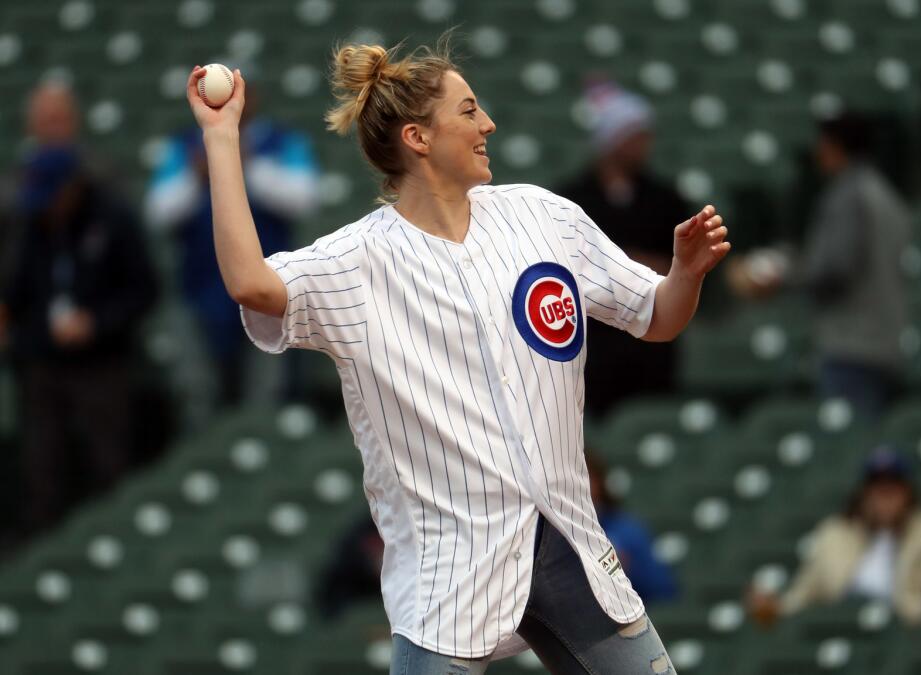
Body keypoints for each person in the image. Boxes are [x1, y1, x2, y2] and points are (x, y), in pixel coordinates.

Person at [184, 34, 729, 674]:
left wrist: (685, 275)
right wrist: (222, 137)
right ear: (417, 138)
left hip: (568, 543)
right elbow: (251, 282)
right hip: (449, 567)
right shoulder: (356, 262)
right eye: (469, 111)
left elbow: (658, 317)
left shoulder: (541, 218)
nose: (488, 123)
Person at [0, 82, 158, 535]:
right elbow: (18, 285)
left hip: (101, 361)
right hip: (41, 359)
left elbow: (144, 290)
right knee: (40, 467)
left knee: (106, 465)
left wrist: (97, 323)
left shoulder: (110, 215)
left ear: (72, 188)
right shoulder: (31, 222)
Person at [145, 73, 319, 406]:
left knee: (266, 390)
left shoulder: (280, 141)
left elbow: (303, 197)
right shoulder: (186, 144)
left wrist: (241, 162)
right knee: (199, 388)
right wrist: (199, 173)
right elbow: (159, 210)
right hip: (200, 286)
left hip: (270, 287)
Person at [727, 113, 910, 423]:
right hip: (883, 340)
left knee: (848, 443)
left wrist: (778, 276)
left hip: (853, 344)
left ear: (837, 147)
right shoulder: (884, 193)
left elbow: (835, 268)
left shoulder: (849, 195)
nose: (818, 152)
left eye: (824, 144)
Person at [557, 80, 691, 416]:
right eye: (631, 135)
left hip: (650, 340)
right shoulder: (570, 198)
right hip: (594, 341)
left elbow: (683, 264)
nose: (641, 144)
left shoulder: (666, 199)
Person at [746, 446, 921, 626]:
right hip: (845, 624)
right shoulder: (835, 535)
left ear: (909, 492)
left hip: (906, 629)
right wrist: (775, 609)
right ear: (863, 494)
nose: (884, 498)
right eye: (877, 489)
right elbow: (805, 594)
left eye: (893, 489)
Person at [585, 452, 678, 604]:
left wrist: (627, 570)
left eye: (586, 476)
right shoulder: (545, 531)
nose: (579, 485)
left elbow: (663, 588)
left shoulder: (627, 531)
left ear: (599, 482)